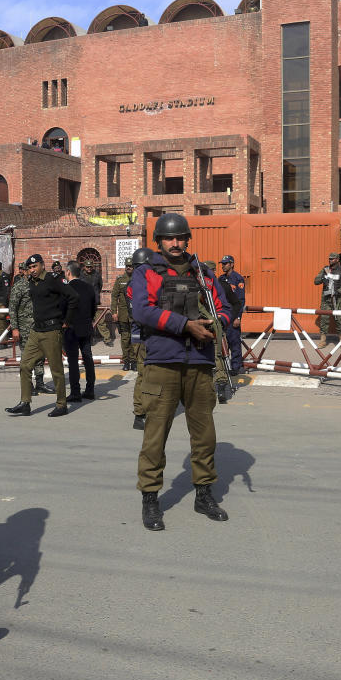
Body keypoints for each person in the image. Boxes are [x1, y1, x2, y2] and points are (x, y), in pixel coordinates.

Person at [130, 213, 231, 530]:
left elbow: (226, 309)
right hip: (162, 362)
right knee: (155, 436)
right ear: (158, 242)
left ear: (188, 240)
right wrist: (185, 325)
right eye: (168, 238)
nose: (175, 243)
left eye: (180, 237)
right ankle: (150, 499)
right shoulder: (146, 272)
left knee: (205, 436)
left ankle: (204, 493)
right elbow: (142, 311)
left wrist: (214, 326)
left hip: (200, 363)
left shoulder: (204, 274)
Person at [4, 254, 78, 417]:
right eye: (30, 268)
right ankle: (25, 403)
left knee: (56, 370)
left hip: (52, 331)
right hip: (36, 332)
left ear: (42, 265)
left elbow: (73, 297)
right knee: (25, 365)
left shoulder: (52, 279)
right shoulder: (30, 283)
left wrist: (67, 320)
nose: (32, 270)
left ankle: (61, 404)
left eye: (35, 266)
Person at [8, 262, 46, 394]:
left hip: (38, 326)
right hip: (24, 328)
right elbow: (12, 309)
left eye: (31, 269)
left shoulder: (36, 284)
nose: (29, 272)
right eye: (27, 269)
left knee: (40, 355)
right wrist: (15, 328)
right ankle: (28, 385)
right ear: (23, 271)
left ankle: (40, 383)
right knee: (27, 358)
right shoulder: (18, 287)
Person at [127, 247, 154, 429]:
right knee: (144, 375)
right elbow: (140, 313)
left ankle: (151, 409)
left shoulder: (146, 282)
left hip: (152, 335)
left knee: (154, 375)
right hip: (142, 336)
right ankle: (139, 413)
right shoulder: (134, 286)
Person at [205, 260, 239, 404]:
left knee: (219, 356)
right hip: (205, 326)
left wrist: (229, 318)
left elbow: (235, 303)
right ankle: (218, 384)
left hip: (216, 326)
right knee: (216, 357)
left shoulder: (221, 286)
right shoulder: (202, 286)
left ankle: (220, 386)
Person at [64, 260, 97, 401]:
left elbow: (62, 308)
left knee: (73, 361)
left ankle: (75, 392)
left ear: (68, 272)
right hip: (86, 327)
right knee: (88, 358)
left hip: (71, 329)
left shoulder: (65, 289)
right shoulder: (89, 287)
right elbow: (94, 307)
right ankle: (90, 390)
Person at [218, 255, 246, 376]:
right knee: (222, 342)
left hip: (233, 315)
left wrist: (238, 317)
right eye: (222, 264)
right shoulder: (220, 279)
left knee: (234, 342)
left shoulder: (238, 279)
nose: (223, 266)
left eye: (225, 263)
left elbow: (240, 300)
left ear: (232, 264)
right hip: (223, 315)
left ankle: (236, 367)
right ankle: (223, 367)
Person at [314, 252, 341, 343]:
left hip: (337, 299)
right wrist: (323, 278)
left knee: (339, 319)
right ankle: (323, 340)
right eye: (329, 258)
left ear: (337, 260)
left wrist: (339, 291)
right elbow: (316, 281)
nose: (330, 260)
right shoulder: (325, 269)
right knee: (324, 319)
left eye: (332, 259)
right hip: (326, 299)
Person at [80, 259, 113, 347]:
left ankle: (107, 339)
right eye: (87, 267)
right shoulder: (81, 275)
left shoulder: (97, 274)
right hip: (85, 303)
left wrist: (96, 295)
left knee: (100, 321)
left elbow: (100, 286)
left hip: (95, 302)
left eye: (90, 267)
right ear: (84, 267)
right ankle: (90, 339)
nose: (89, 268)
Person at [111, 257, 135, 370]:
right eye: (127, 266)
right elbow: (114, 296)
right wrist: (114, 312)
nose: (129, 267)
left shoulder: (138, 278)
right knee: (125, 338)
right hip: (124, 314)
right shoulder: (120, 280)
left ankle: (134, 361)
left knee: (135, 338)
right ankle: (126, 361)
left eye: (131, 266)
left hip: (135, 314)